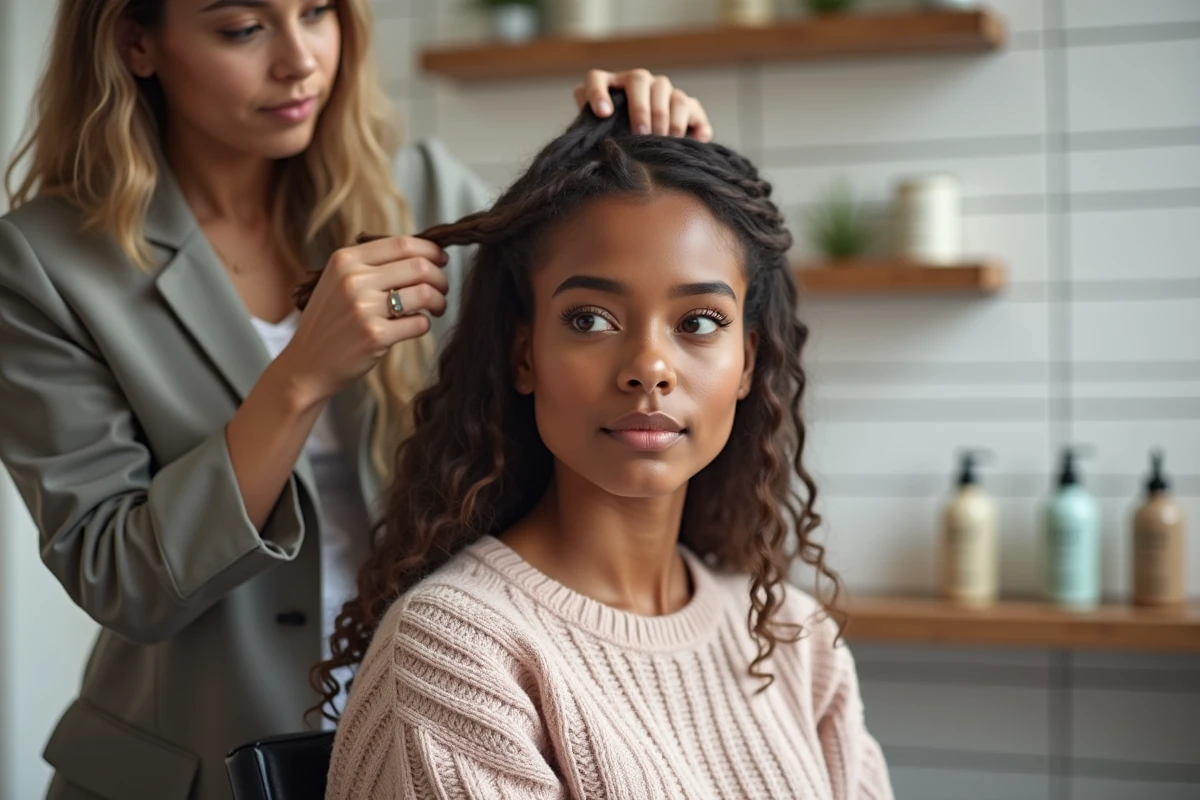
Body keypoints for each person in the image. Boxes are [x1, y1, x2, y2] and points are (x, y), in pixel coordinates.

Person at [0, 0, 715, 796]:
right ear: (137, 42)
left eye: (317, 12)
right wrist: (299, 378)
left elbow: (575, 350)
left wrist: (632, 148)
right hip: (190, 769)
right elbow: (123, 579)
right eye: (244, 28)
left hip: (434, 736)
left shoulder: (421, 188)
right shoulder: (44, 263)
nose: (299, 59)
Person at [319, 91, 894, 800]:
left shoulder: (792, 637)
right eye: (590, 318)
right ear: (524, 354)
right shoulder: (457, 651)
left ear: (749, 362)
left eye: (700, 322)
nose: (648, 366)